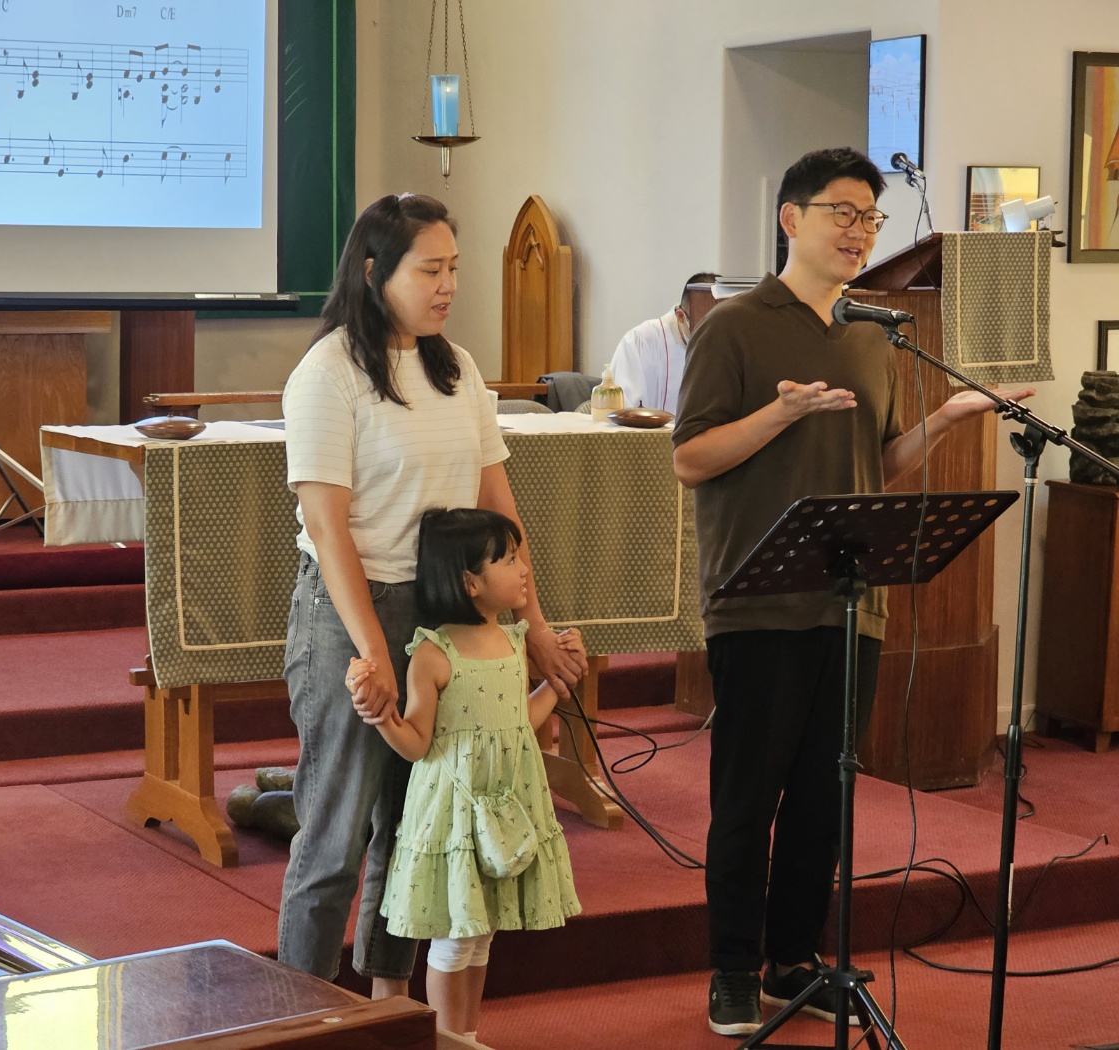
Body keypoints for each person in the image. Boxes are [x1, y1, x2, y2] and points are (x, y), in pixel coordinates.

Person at [671, 147, 1034, 1038]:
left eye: (871, 217)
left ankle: (792, 962)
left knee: (824, 798)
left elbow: (879, 462)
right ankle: (731, 971)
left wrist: (942, 421)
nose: (860, 230)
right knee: (748, 798)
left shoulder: (873, 332)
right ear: (791, 219)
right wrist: (782, 412)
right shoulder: (735, 326)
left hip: (848, 597)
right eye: (843, 212)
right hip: (757, 597)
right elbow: (691, 458)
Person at [277, 193, 588, 1000]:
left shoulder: (457, 368)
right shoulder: (328, 373)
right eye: (430, 270)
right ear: (373, 272)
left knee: (415, 824)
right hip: (353, 611)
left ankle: (388, 1005)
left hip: (444, 613)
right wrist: (373, 652)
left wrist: (535, 623)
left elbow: (498, 508)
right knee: (337, 834)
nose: (448, 285)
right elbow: (328, 527)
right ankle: (300, 1012)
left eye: (454, 268)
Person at [346, 507, 583, 1042]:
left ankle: (466, 1037)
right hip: (454, 812)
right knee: (455, 936)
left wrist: (559, 682)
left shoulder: (514, 641)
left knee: (482, 936)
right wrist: (381, 717)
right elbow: (417, 743)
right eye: (509, 560)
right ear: (470, 582)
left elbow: (518, 720)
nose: (524, 569)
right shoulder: (434, 653)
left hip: (503, 804)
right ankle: (446, 1040)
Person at [610, 271, 720, 413]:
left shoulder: (727, 345)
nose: (712, 335)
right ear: (680, 316)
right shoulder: (643, 341)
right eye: (703, 325)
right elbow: (625, 410)